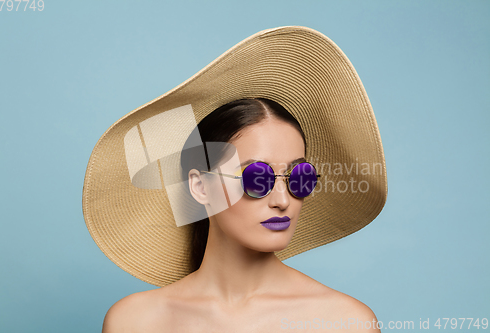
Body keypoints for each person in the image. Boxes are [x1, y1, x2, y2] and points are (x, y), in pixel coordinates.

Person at [83, 26, 387, 332]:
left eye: (299, 177)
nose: (283, 201)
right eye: (257, 177)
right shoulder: (134, 321)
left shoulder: (345, 322)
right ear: (200, 187)